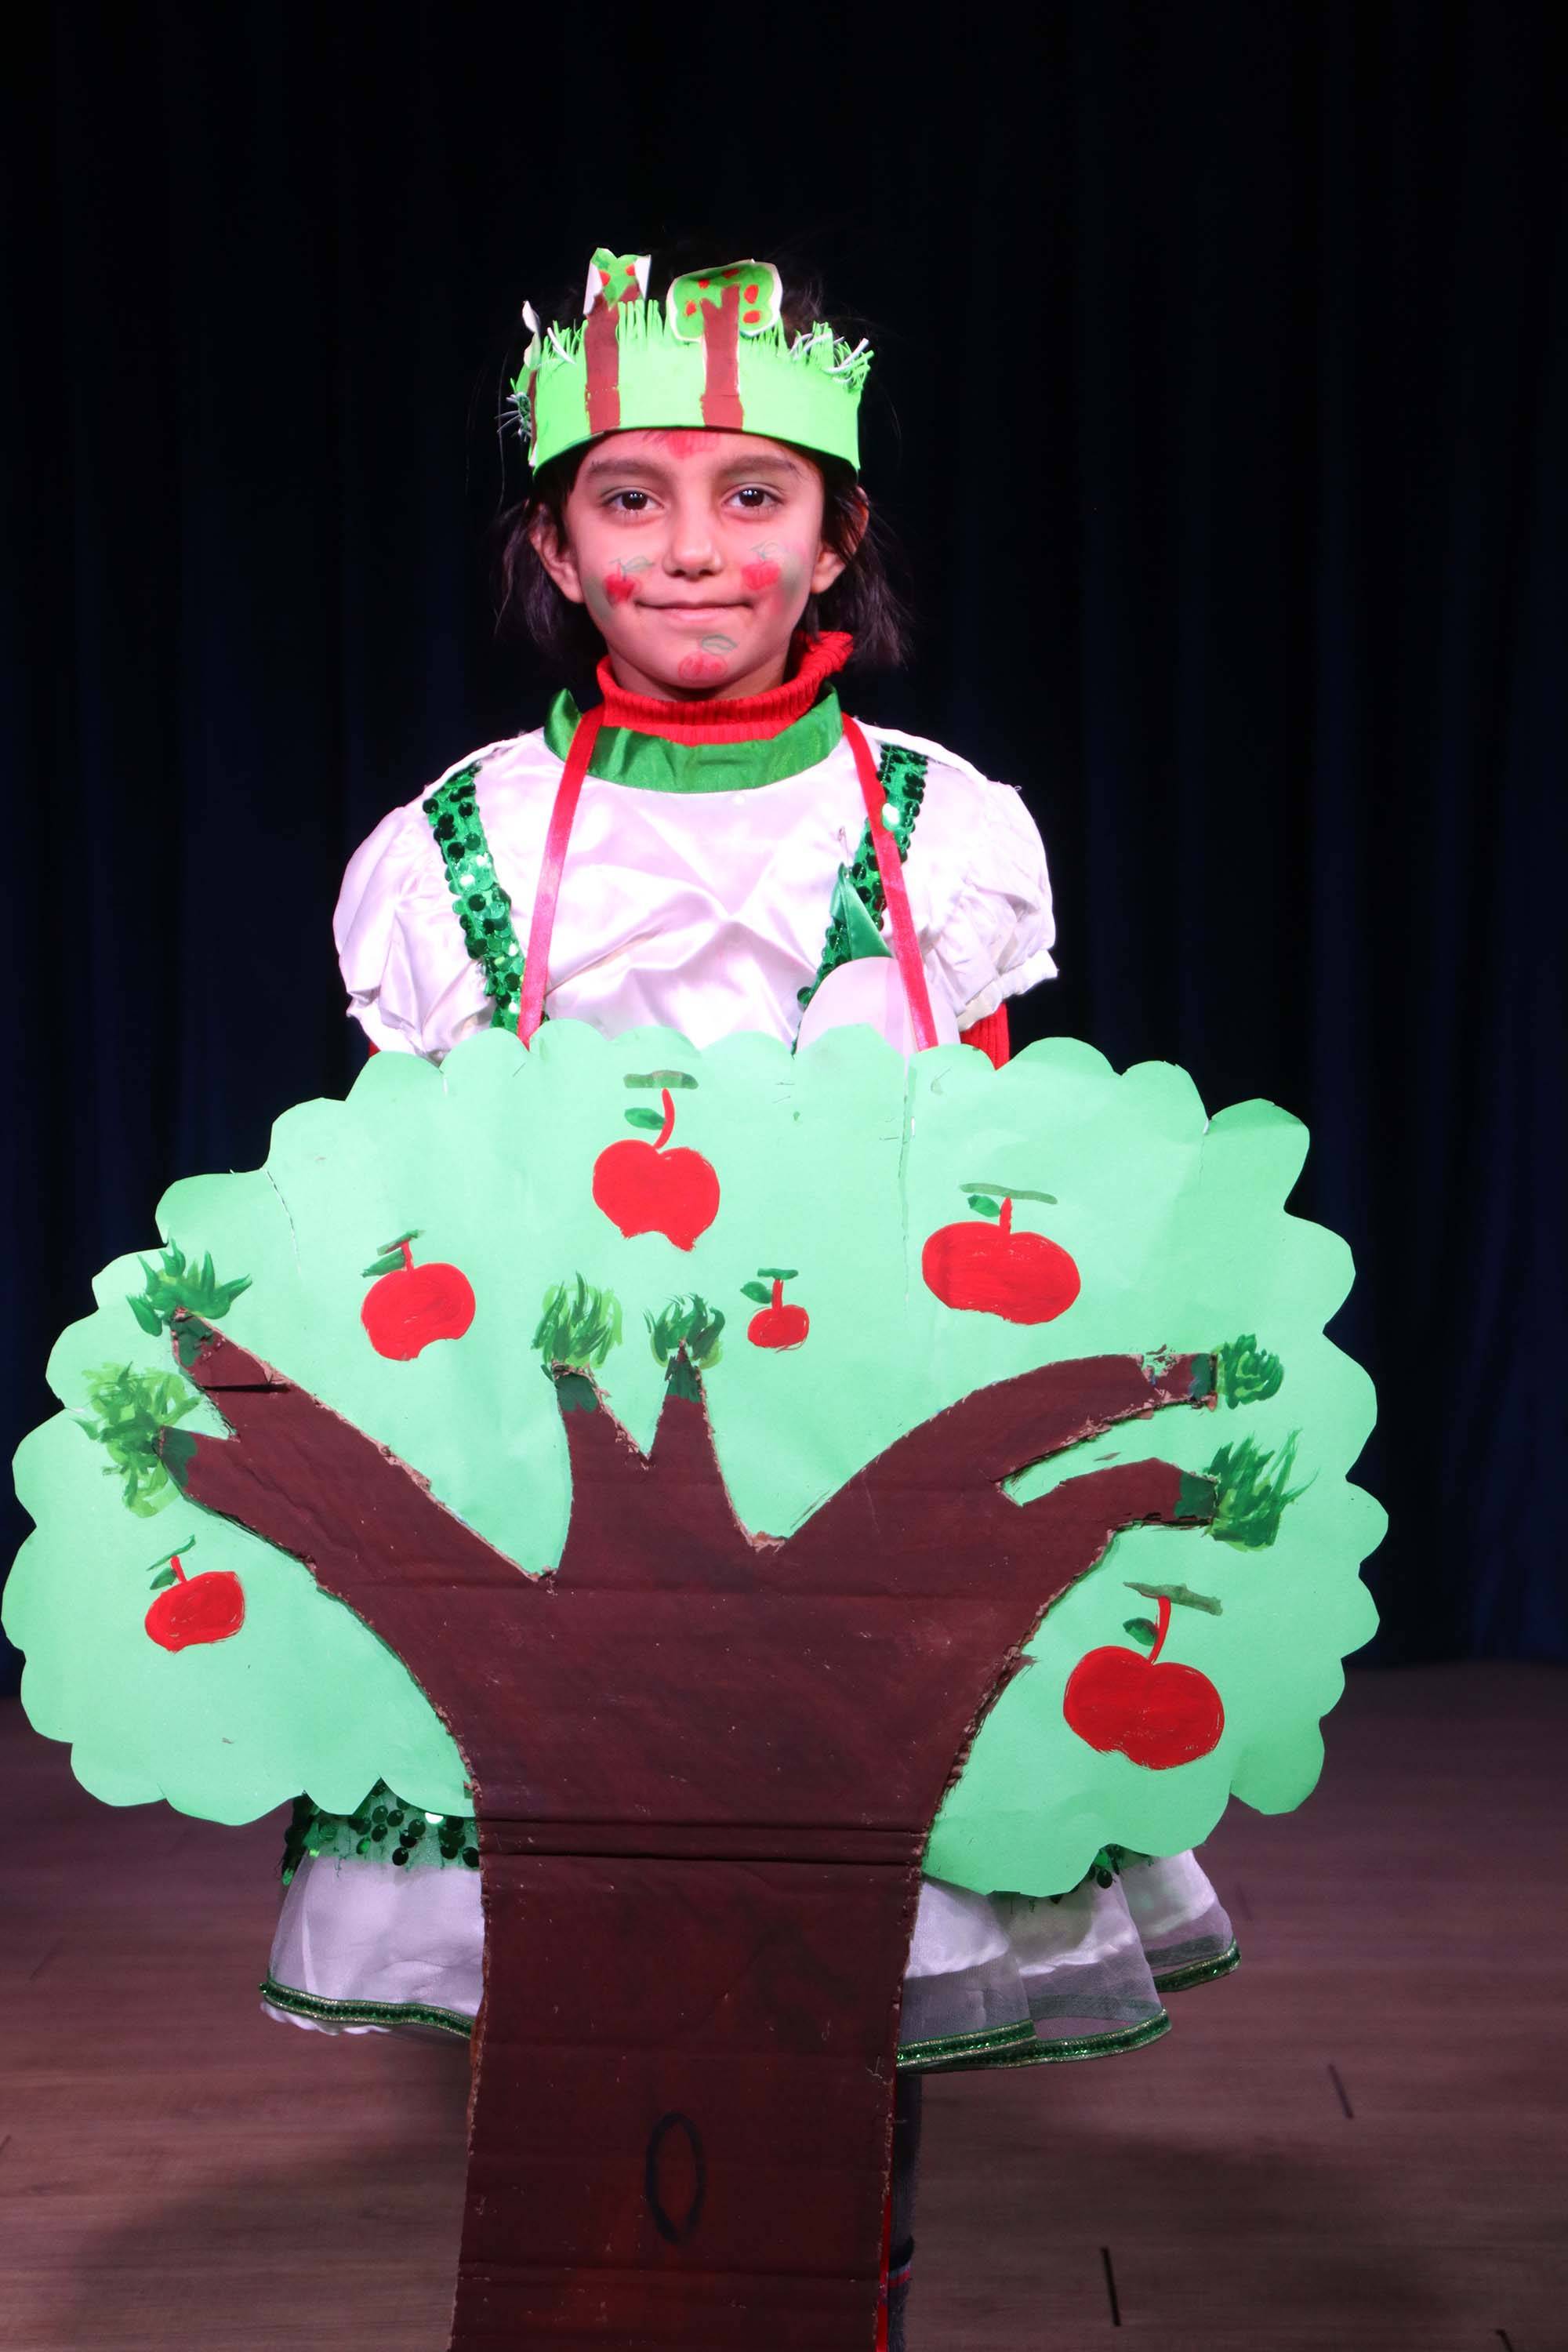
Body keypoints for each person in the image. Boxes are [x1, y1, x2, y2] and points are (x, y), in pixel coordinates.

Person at [263, 247, 1238, 2349]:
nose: (693, 549)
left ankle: (842, 2299)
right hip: (560, 1500)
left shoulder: (937, 828)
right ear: (555, 547)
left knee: (851, 1957)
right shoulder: (462, 844)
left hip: (856, 1495)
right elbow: (401, 1208)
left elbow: (996, 1178)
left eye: (752, 496)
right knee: (591, 1979)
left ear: (837, 536)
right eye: (631, 499)